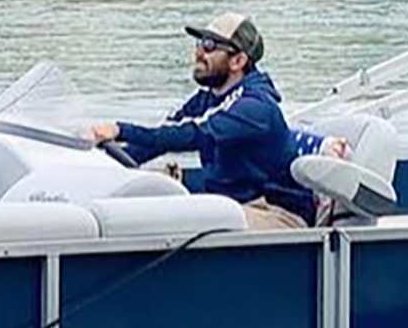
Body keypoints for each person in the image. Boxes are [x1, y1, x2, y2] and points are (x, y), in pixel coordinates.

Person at [87, 12, 318, 230]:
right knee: (146, 191)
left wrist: (119, 130)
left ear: (238, 60)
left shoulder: (255, 106)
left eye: (209, 46)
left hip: (278, 213)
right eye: (199, 43)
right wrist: (106, 167)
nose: (199, 52)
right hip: (234, 203)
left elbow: (195, 134)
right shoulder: (207, 99)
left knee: (181, 219)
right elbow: (163, 135)